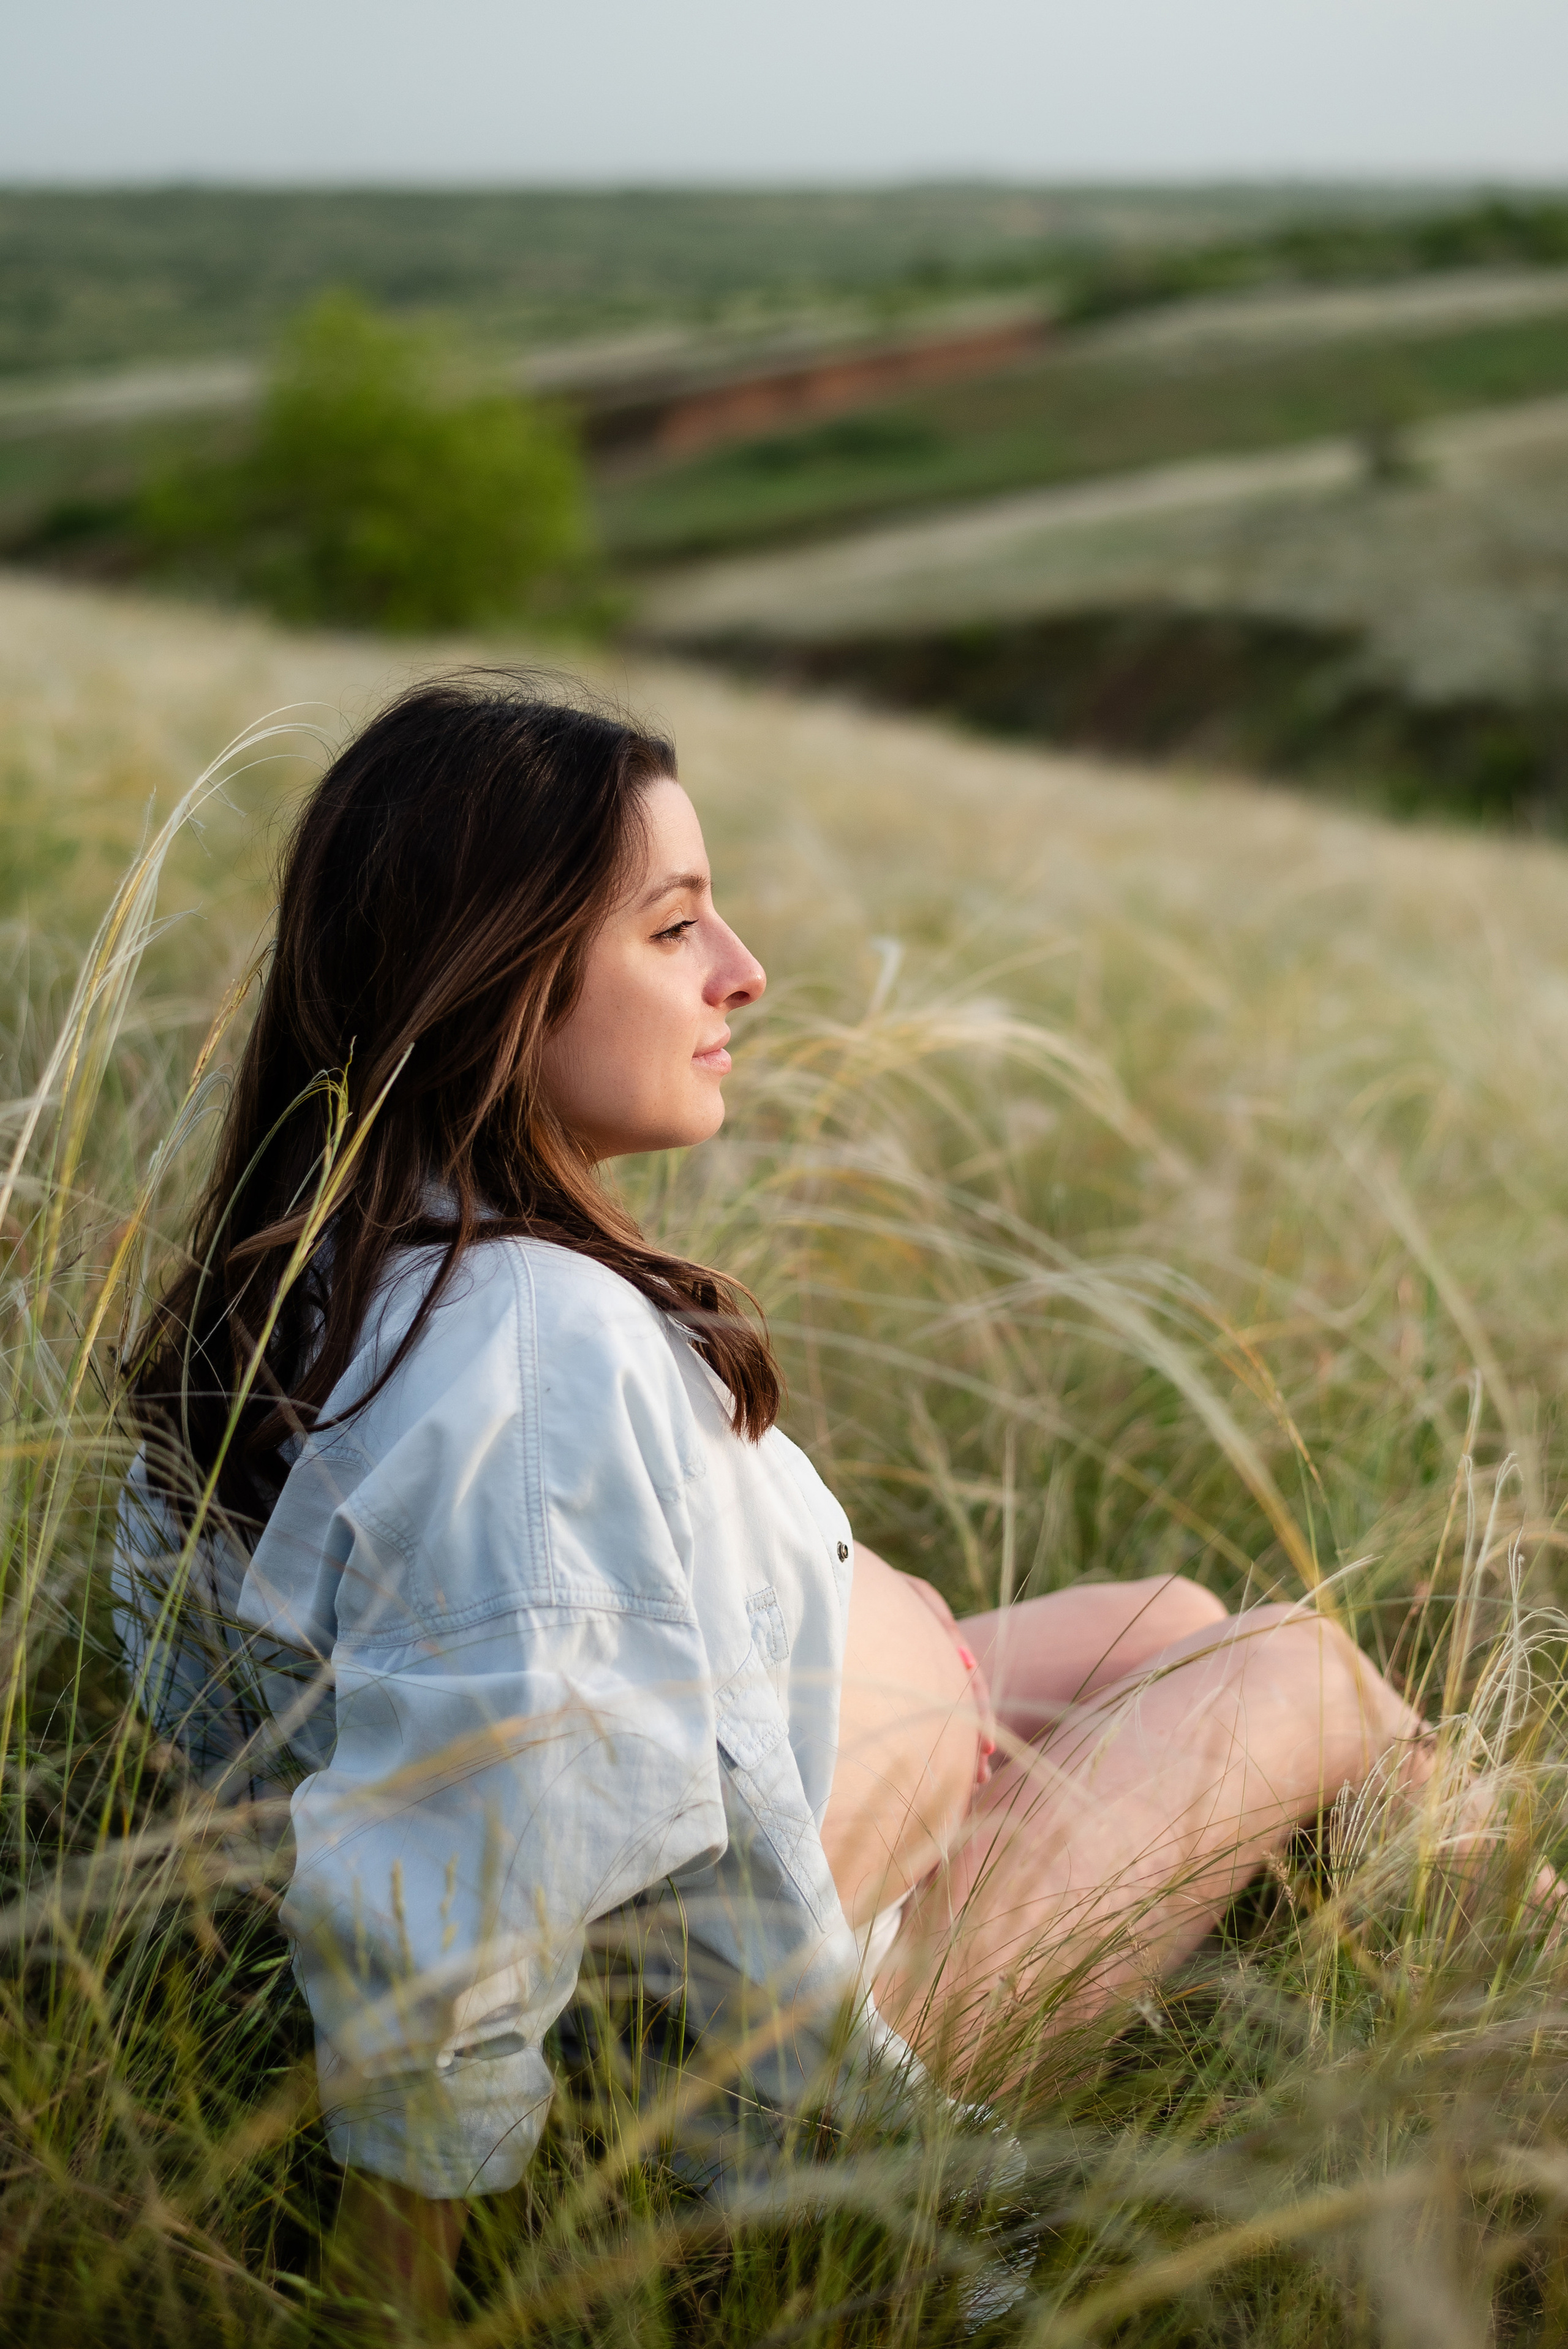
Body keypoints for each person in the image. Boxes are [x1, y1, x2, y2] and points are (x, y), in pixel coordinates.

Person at [116, 676, 1461, 2319]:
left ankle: (1465, 1945)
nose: (742, 972)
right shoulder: (531, 1354)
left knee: (1174, 1623)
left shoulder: (340, 1263)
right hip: (785, 2064)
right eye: (675, 928)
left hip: (815, 1803)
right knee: (1308, 1672)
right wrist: (398, 2285)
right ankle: (1499, 2003)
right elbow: (460, 1855)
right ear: (500, 973)